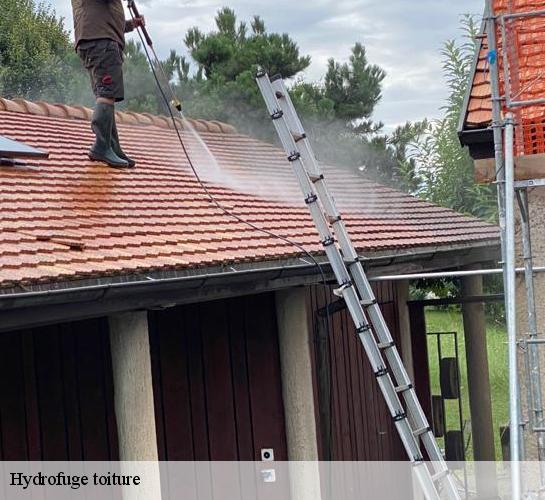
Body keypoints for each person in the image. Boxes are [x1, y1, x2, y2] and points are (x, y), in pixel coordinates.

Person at [71, 0, 145, 168]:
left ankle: (112, 146)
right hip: (101, 42)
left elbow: (106, 21)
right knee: (106, 93)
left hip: (100, 40)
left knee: (107, 94)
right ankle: (101, 146)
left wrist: (131, 24)